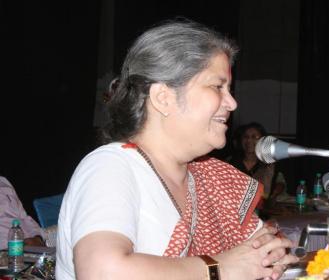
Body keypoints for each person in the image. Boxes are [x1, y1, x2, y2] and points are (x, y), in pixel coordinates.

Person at [56, 19, 298, 280]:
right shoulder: (111, 166)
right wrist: (220, 268)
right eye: (218, 86)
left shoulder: (211, 178)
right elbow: (102, 272)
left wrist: (269, 257)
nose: (232, 102)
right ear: (163, 97)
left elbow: (254, 253)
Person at [228, 122, 288, 203]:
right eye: (246, 137)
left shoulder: (269, 164)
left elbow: (280, 183)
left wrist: (277, 189)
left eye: (254, 137)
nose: (249, 140)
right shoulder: (230, 162)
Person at [0, 176, 44, 248]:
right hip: (9, 251)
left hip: (32, 246)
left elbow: (24, 217)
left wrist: (37, 237)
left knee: (53, 259)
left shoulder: (3, 181)